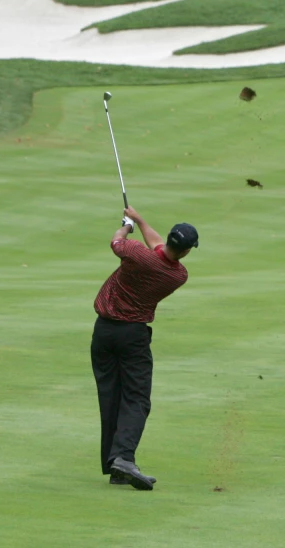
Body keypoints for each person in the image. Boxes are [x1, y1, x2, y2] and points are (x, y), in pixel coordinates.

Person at [91, 207, 200, 490]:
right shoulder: (178, 276)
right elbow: (158, 248)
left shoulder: (135, 253)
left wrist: (127, 226)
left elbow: (117, 242)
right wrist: (139, 220)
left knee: (111, 395)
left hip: (103, 332)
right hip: (133, 336)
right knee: (137, 398)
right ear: (187, 251)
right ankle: (123, 459)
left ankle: (115, 464)